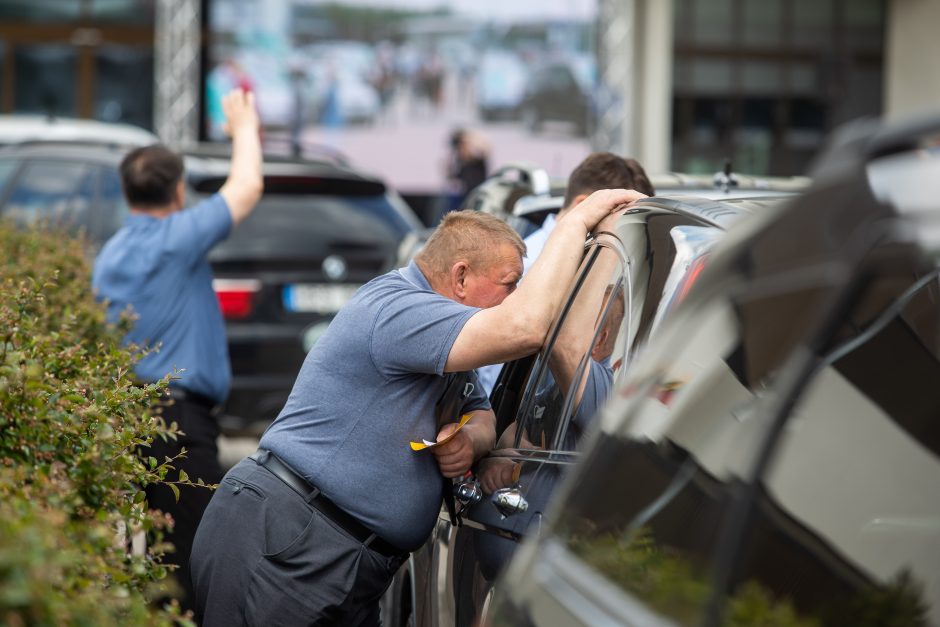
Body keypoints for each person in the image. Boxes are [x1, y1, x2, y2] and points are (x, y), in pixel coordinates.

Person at [190, 188, 645, 626]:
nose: (514, 296)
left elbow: (481, 411)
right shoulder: (400, 309)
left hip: (336, 553)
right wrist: (576, 222)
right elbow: (525, 326)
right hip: (290, 541)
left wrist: (469, 438)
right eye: (509, 284)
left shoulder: (440, 330)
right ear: (461, 276)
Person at [92, 88, 263, 611]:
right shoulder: (175, 238)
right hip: (178, 424)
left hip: (129, 417)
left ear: (127, 194)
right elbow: (247, 186)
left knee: (155, 559)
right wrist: (244, 126)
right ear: (179, 191)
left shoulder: (111, 253)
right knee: (194, 558)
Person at [478, 151, 655, 395]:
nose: (624, 237)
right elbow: (495, 381)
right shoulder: (523, 269)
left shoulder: (603, 260)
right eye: (619, 222)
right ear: (584, 206)